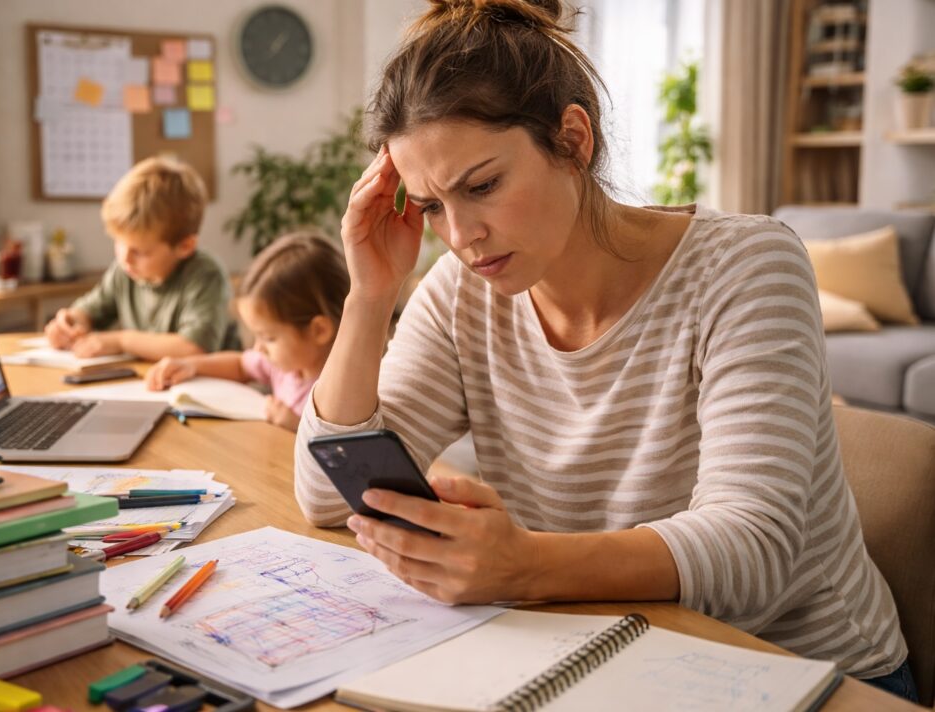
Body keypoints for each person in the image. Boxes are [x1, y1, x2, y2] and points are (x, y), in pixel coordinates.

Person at [293, 0, 917, 700]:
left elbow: (755, 551)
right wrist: (369, 296)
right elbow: (324, 492)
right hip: (607, 651)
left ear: (573, 140)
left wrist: (525, 566)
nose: (461, 234)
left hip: (806, 670)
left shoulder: (746, 266)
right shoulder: (459, 291)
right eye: (432, 205)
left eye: (484, 186)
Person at [145, 232, 349, 432]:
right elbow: (241, 365)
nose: (258, 347)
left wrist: (297, 427)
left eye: (269, 338)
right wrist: (190, 366)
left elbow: (344, 453)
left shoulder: (344, 392)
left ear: (319, 331)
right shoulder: (287, 364)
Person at [44, 156, 233, 362]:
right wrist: (71, 323)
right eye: (119, 243)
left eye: (141, 251)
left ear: (185, 246)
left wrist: (122, 341)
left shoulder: (205, 275)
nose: (125, 258)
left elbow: (193, 348)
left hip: (209, 388)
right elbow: (90, 311)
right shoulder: (125, 270)